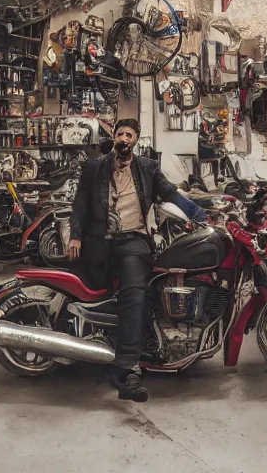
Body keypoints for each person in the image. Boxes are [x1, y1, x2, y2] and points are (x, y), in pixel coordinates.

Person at [67, 118, 180, 402]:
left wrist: (200, 209)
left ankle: (125, 367)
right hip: (99, 242)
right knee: (105, 296)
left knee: (135, 294)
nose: (124, 138)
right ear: (114, 137)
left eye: (130, 134)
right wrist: (75, 236)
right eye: (120, 133)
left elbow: (170, 193)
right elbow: (80, 203)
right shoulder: (95, 167)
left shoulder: (147, 168)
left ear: (136, 139)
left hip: (133, 241)